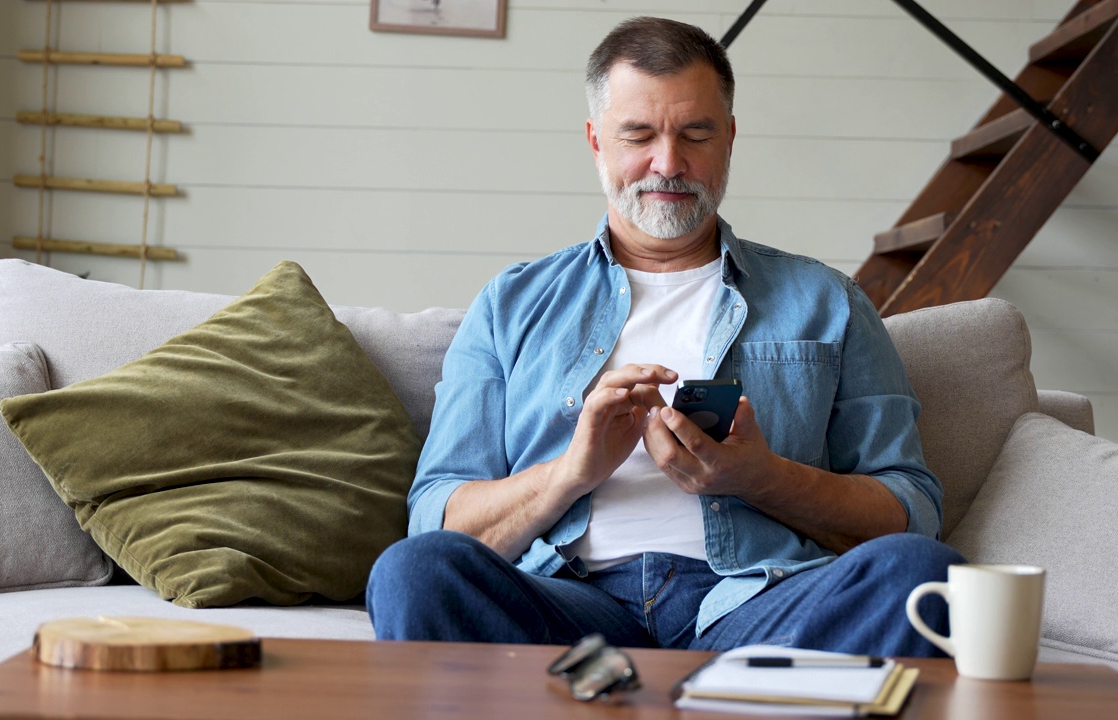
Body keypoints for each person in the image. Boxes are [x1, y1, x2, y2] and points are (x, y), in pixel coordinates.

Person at [366, 16, 961, 656]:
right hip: (567, 610)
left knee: (924, 575)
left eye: (696, 133)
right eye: (638, 135)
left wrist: (760, 478)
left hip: (758, 604)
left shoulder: (828, 302)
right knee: (413, 571)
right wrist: (571, 473)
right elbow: (439, 516)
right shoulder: (511, 304)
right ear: (597, 141)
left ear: (729, 138)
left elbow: (910, 508)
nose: (668, 164)